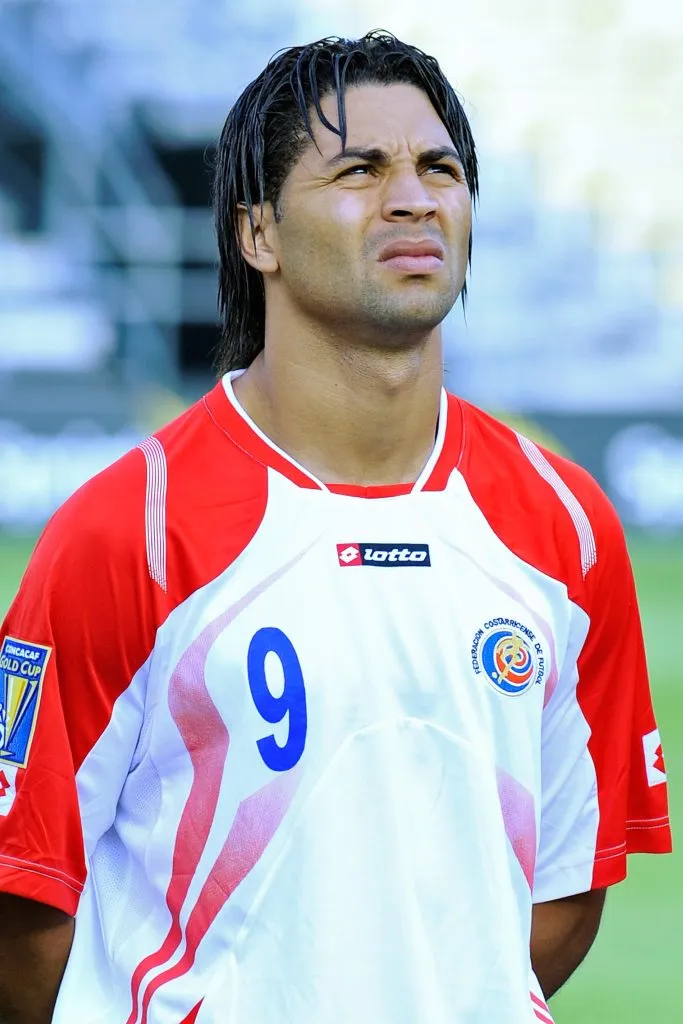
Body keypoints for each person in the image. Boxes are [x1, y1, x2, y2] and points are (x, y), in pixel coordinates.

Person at [0, 30, 671, 1024]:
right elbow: (22, 902)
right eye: (360, 169)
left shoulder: (565, 526)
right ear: (256, 234)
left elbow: (567, 885)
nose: (413, 197)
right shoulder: (126, 530)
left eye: (438, 168)